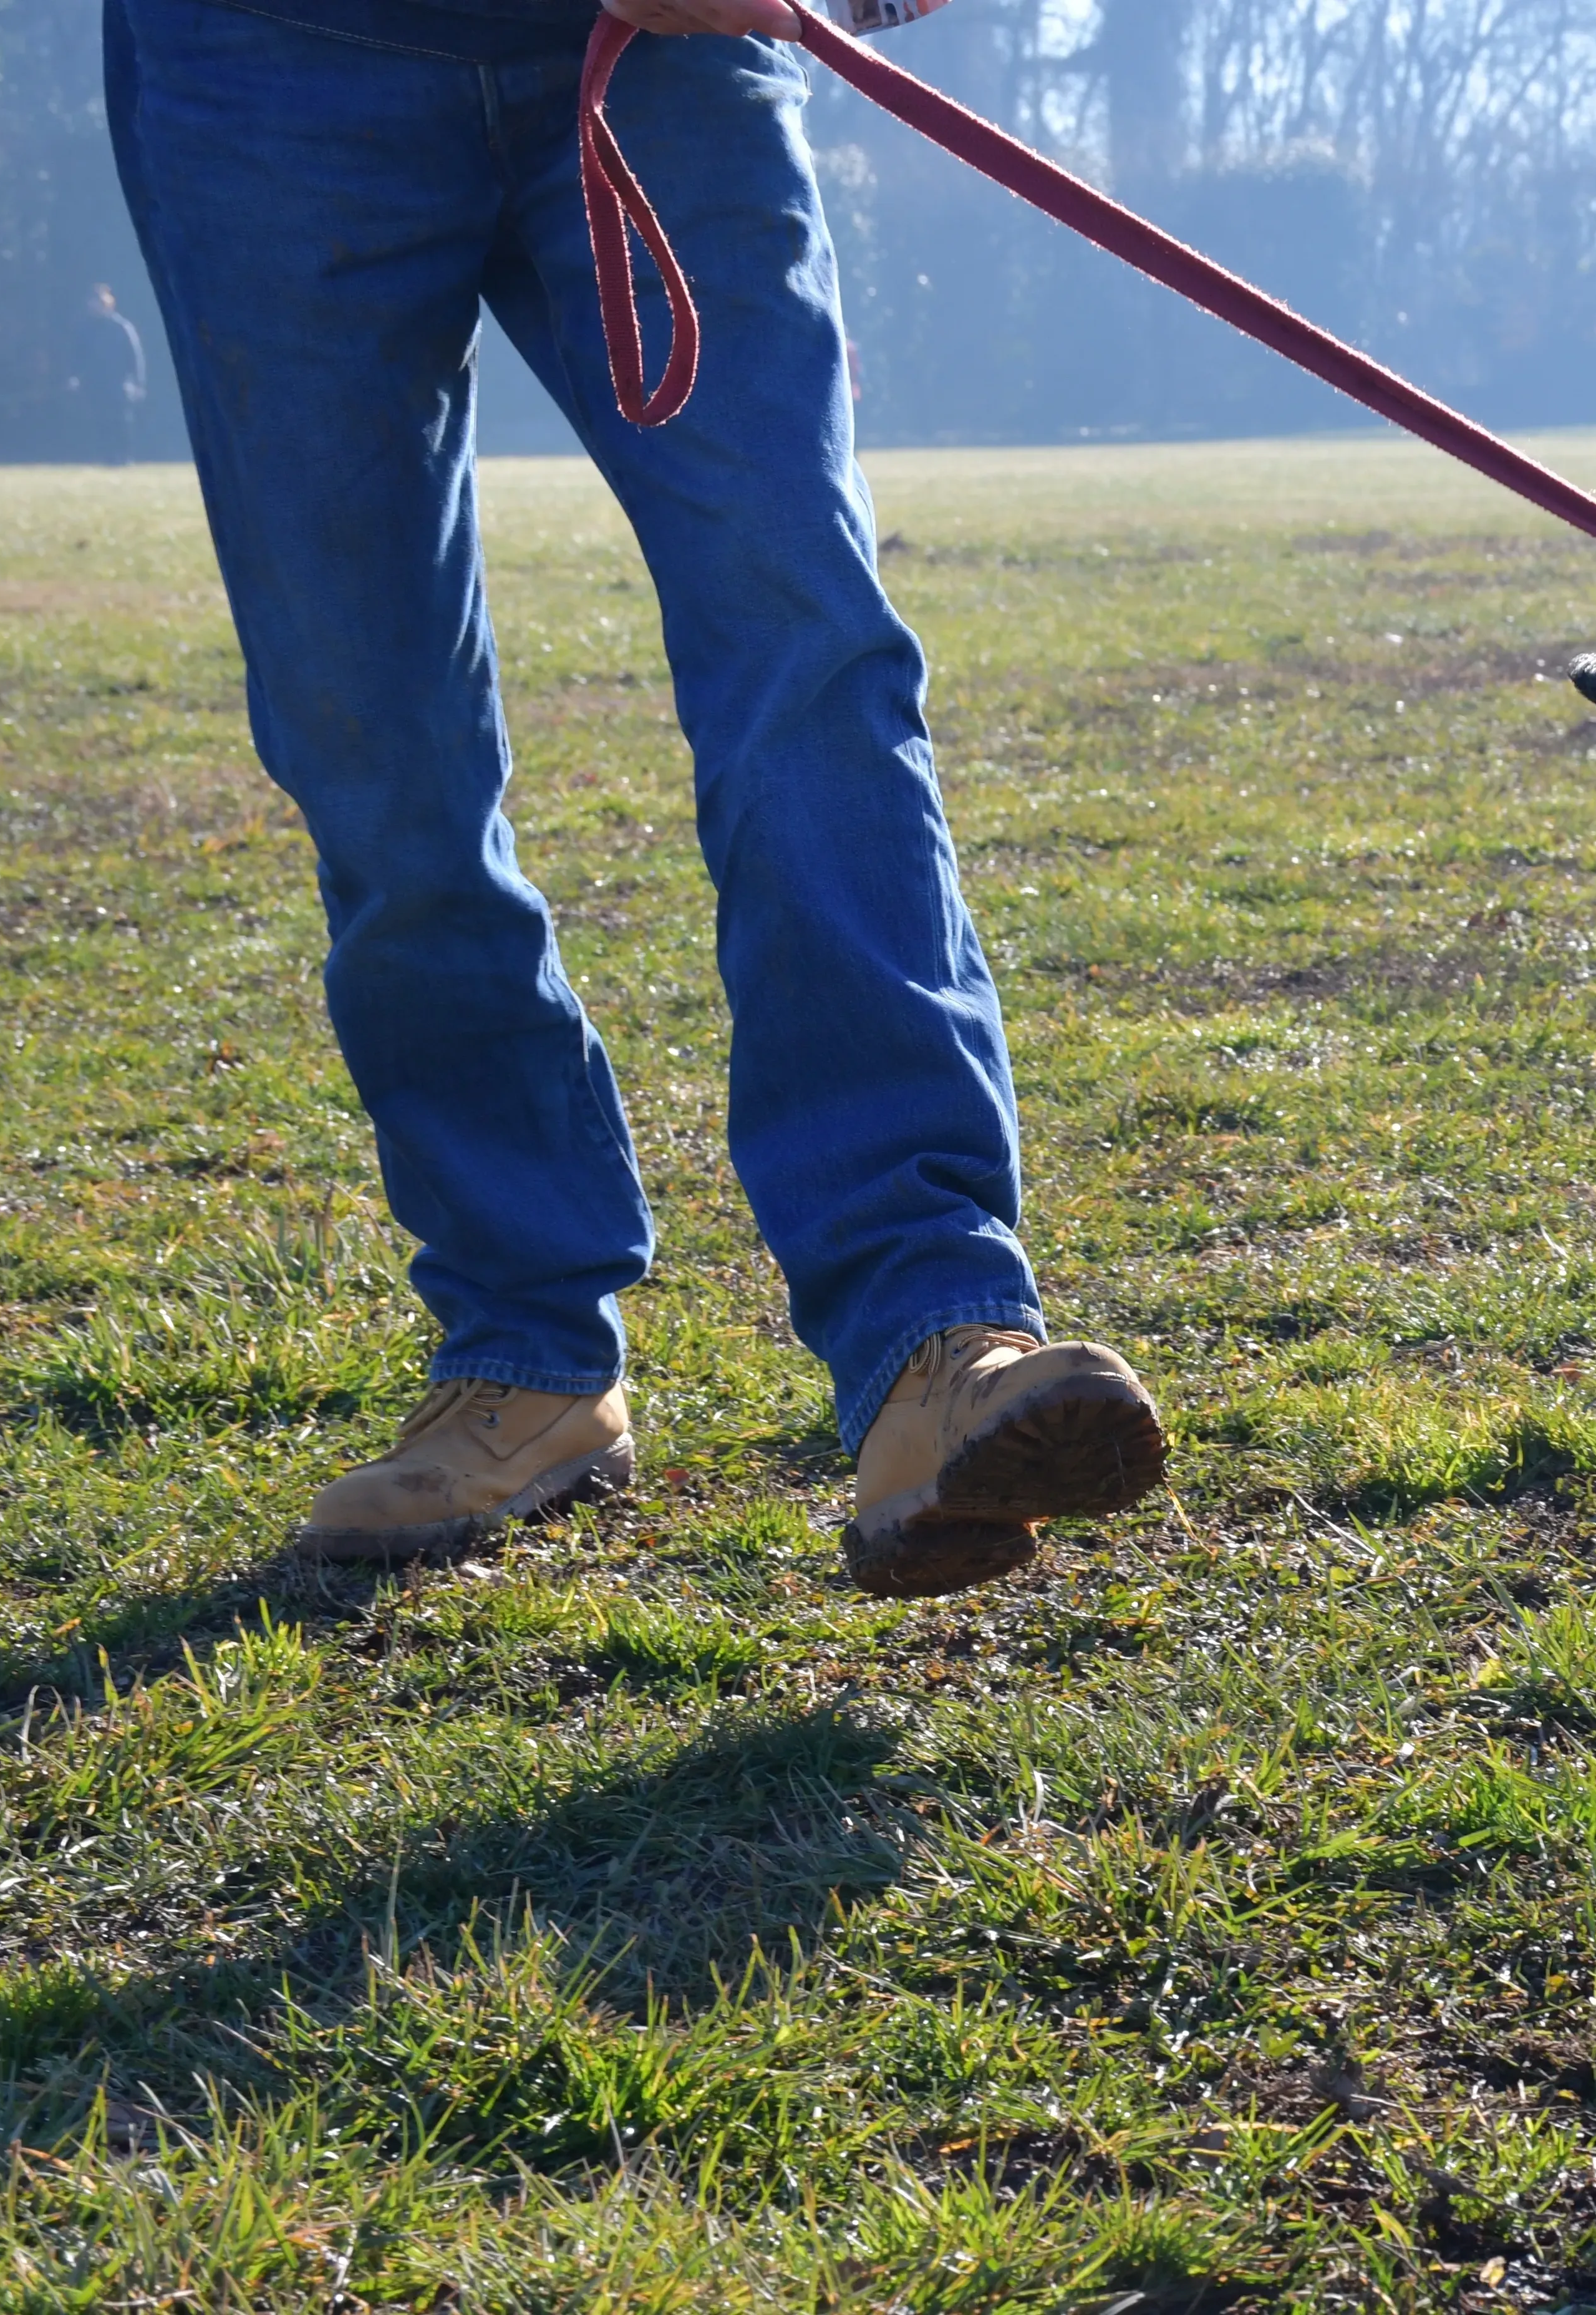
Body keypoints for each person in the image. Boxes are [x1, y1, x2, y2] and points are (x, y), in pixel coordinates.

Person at [105, 0, 1166, 1595]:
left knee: (811, 654)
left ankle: (934, 1337)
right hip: (270, 65)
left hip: (660, 61)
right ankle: (524, 1354)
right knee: (371, 737)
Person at [69, 285, 147, 465]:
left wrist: (139, 383)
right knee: (100, 420)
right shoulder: (85, 329)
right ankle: (106, 456)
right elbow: (78, 357)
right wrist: (75, 377)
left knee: (121, 421)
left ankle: (124, 457)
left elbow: (135, 357)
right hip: (95, 384)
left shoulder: (122, 327)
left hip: (120, 383)